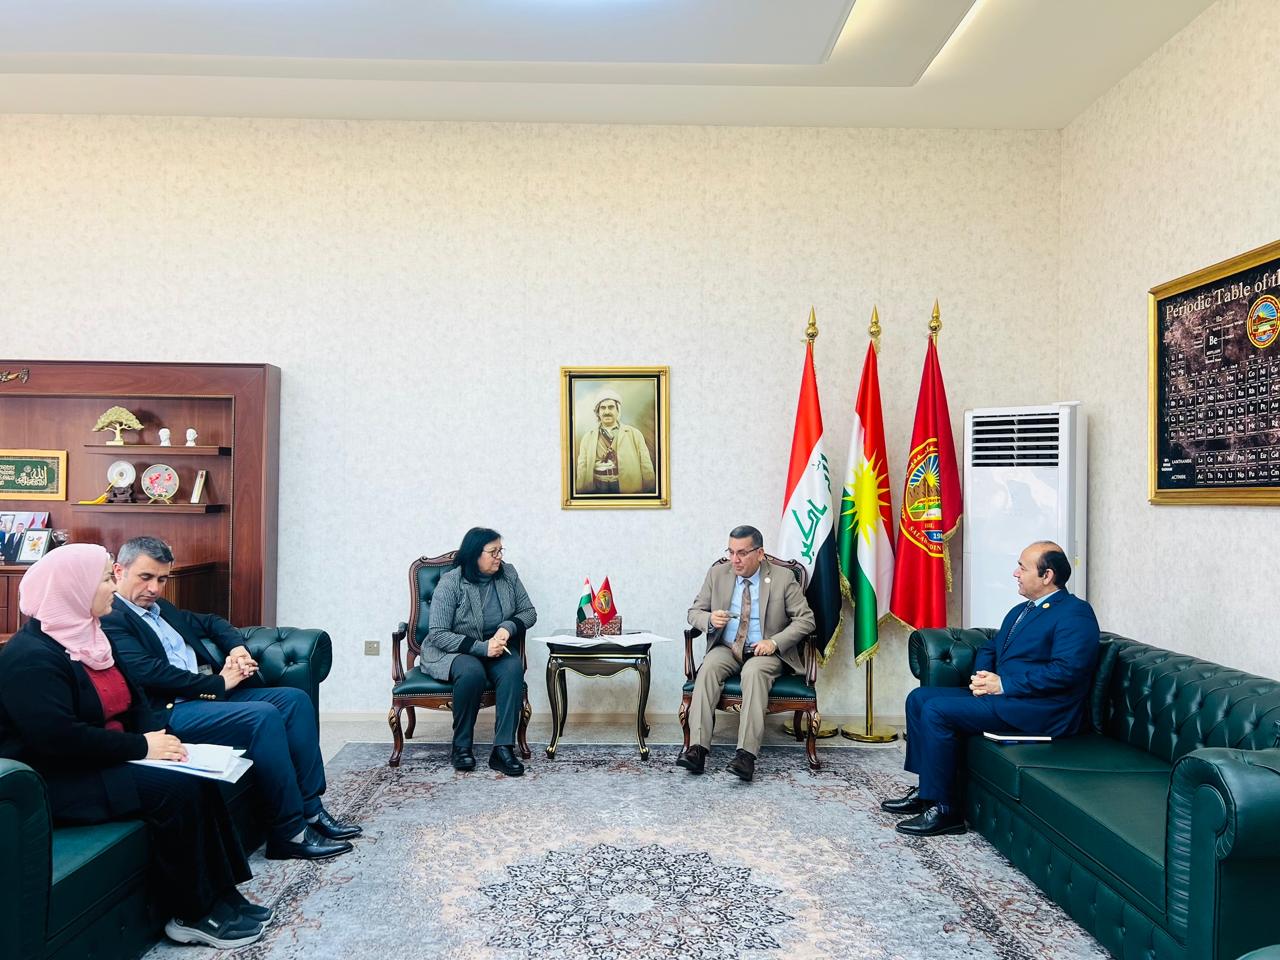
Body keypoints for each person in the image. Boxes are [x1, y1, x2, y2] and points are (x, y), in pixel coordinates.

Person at [0, 544, 269, 949]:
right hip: (59, 779)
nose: (113, 587)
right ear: (74, 588)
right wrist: (141, 748)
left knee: (198, 776)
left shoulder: (92, 635)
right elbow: (60, 739)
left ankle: (224, 895)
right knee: (176, 790)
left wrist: (163, 740)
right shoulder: (31, 657)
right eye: (105, 580)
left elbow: (137, 702)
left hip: (108, 757)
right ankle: (192, 913)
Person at [100, 536, 360, 861]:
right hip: (169, 713)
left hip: (205, 700)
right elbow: (150, 673)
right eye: (145, 577)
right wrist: (219, 683)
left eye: (162, 579)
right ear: (119, 570)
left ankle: (311, 810)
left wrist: (238, 649)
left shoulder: (161, 609)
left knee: (294, 700)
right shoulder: (112, 618)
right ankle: (288, 833)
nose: (154, 588)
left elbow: (213, 622)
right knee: (262, 716)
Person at [881, 540, 1101, 837]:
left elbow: (1067, 671)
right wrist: (982, 676)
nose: (1015, 573)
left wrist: (1004, 684)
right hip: (1008, 698)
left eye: (1023, 568)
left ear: (1047, 575)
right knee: (919, 698)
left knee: (936, 709)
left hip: (1042, 710)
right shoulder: (1022, 610)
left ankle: (946, 811)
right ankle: (927, 791)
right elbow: (990, 647)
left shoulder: (1075, 613)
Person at [680, 525, 816, 782]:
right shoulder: (717, 574)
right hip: (727, 647)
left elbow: (806, 620)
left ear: (760, 553)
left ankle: (746, 756)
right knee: (708, 669)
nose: (735, 560)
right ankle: (697, 750)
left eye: (742, 553)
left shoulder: (783, 578)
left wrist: (774, 642)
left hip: (765, 652)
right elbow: (694, 612)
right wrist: (710, 619)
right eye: (731, 552)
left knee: (753, 673)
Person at [423, 527, 536, 776]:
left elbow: (528, 612)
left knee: (513, 667)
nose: (499, 557)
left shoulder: (508, 574)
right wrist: (481, 648)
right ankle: (461, 747)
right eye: (493, 552)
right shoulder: (451, 582)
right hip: (454, 650)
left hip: (496, 647)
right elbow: (438, 633)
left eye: (500, 551)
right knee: (471, 671)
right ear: (475, 554)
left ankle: (503, 749)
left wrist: (507, 628)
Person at [574, 387, 657, 495]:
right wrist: (580, 491)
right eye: (603, 408)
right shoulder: (587, 438)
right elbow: (582, 469)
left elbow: (646, 465)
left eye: (611, 407)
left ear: (618, 410)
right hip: (596, 487)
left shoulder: (634, 434)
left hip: (627, 488)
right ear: (598, 412)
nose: (607, 411)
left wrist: (650, 490)